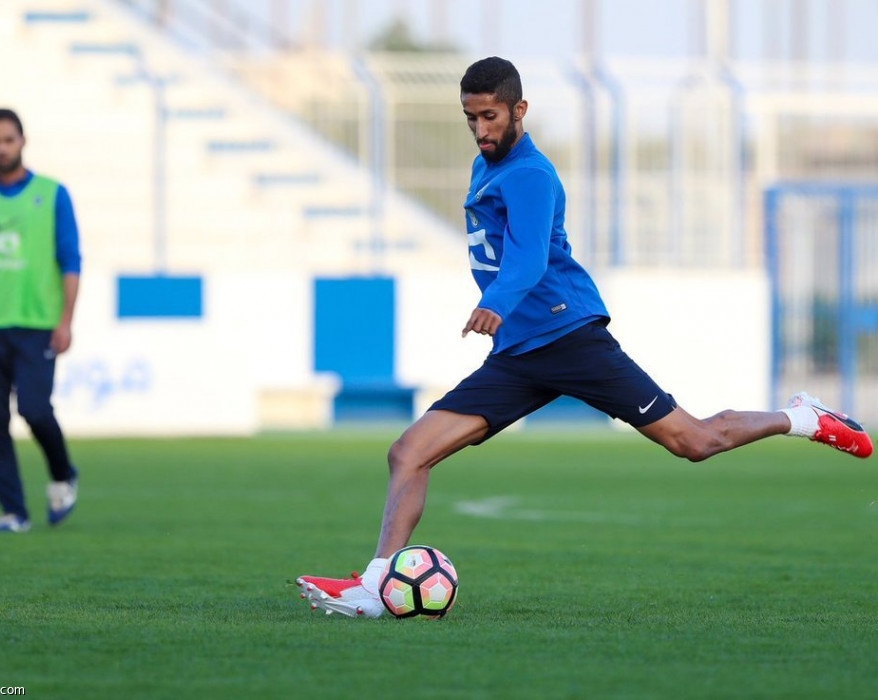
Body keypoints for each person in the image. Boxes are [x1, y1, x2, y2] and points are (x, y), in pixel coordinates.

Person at [295, 57, 873, 617]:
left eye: (490, 117)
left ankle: (800, 416)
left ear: (520, 109)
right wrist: (502, 318)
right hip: (519, 355)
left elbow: (525, 258)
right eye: (470, 118)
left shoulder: (530, 174)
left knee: (694, 443)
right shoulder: (486, 166)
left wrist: (494, 303)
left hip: (569, 338)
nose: (480, 130)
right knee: (409, 452)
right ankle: (376, 585)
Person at [0, 108, 81, 533]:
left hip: (36, 324)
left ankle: (63, 474)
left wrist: (65, 320)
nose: (1, 148)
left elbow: (70, 260)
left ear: (22, 140)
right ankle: (14, 512)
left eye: (8, 140)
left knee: (34, 409)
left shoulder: (52, 193)